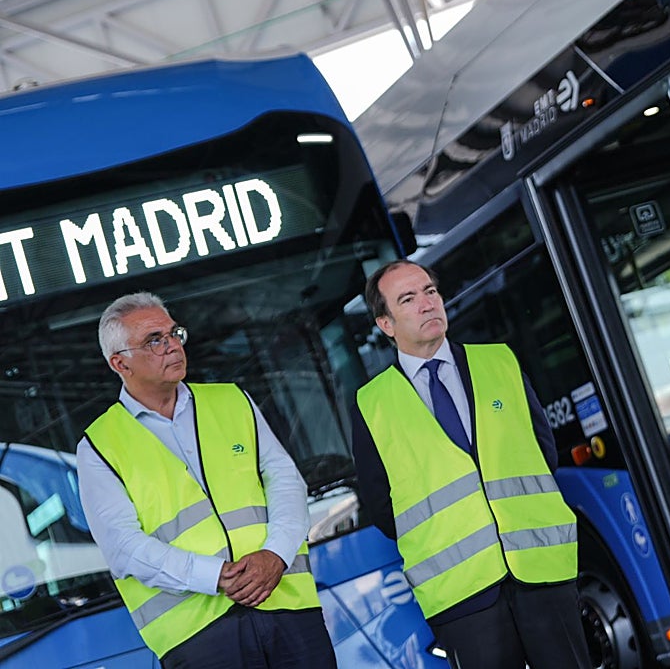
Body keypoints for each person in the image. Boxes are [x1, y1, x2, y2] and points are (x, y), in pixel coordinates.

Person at [77, 292, 337, 668]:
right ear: (120, 363)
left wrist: (275, 555)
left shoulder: (233, 400)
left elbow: (286, 480)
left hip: (284, 602)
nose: (172, 346)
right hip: (197, 637)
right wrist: (213, 576)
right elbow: (123, 548)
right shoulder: (98, 447)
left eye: (173, 334)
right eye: (155, 340)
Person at [351, 260, 589, 669]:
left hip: (541, 570)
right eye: (408, 299)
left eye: (430, 291)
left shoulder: (500, 361)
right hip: (461, 596)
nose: (427, 304)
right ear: (385, 324)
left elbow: (543, 452)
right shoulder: (370, 404)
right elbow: (381, 505)